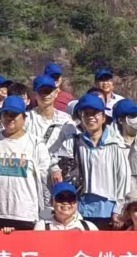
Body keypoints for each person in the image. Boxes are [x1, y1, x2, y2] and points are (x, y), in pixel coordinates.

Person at [53, 94, 128, 229]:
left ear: (103, 118)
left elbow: (123, 179)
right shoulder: (73, 142)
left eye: (95, 113)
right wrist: (55, 169)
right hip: (78, 210)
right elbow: (54, 162)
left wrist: (118, 209)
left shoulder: (116, 145)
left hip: (108, 211)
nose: (90, 117)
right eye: (86, 114)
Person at [0, 96, 49, 230]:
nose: (9, 118)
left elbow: (44, 180)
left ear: (24, 117)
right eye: (6, 114)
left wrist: (46, 212)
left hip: (27, 215)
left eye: (14, 115)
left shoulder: (36, 144)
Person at [27, 74, 69, 153]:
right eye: (41, 91)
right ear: (34, 95)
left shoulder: (66, 120)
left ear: (56, 93)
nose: (45, 95)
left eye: (48, 91)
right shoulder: (26, 119)